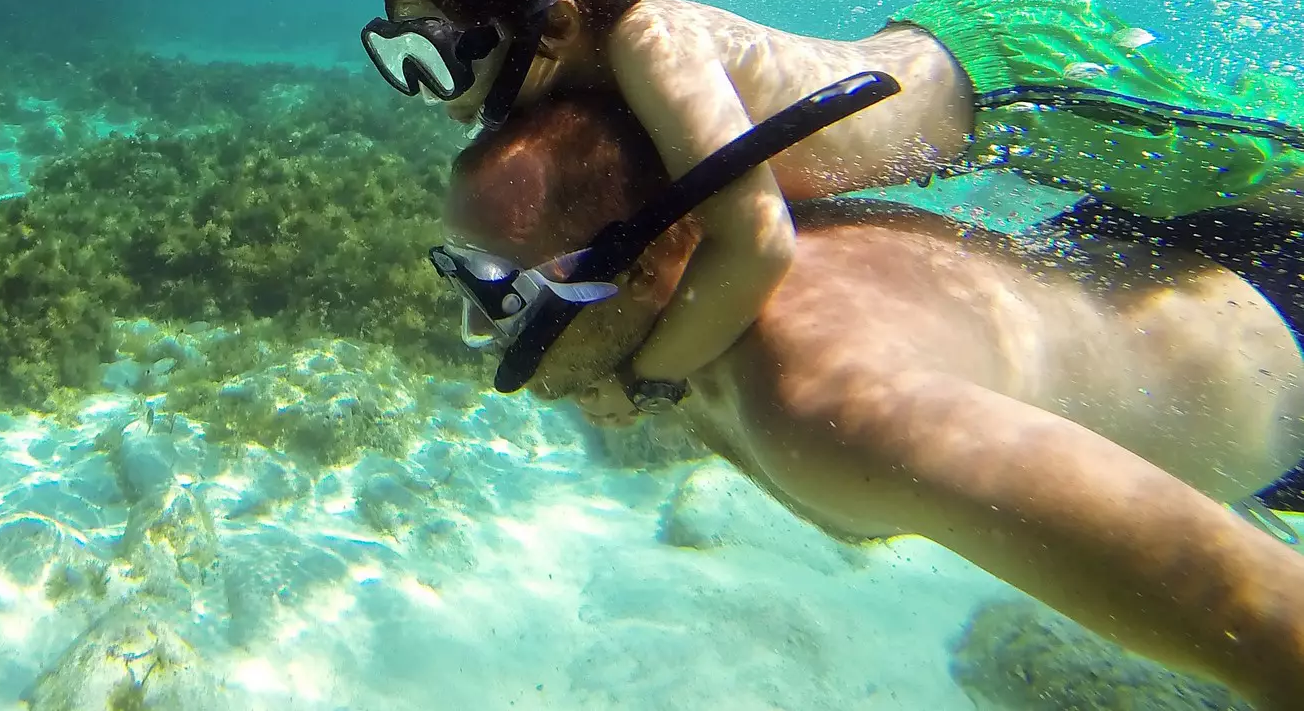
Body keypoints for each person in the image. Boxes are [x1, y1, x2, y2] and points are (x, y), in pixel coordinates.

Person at [443, 86, 1304, 708]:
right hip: (1143, 257)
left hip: (1272, 344)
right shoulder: (712, 269)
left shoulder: (828, 404)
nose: (484, 332)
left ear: (637, 265)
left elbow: (1260, 613)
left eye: (502, 292)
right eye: (464, 275)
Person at [363, 0, 1304, 409]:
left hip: (1019, 75)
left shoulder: (652, 44)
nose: (427, 89)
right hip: (967, 65)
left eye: (436, 53)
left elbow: (757, 240)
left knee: (1254, 163)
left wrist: (649, 381)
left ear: (557, 24)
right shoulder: (584, 82)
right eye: (395, 55)